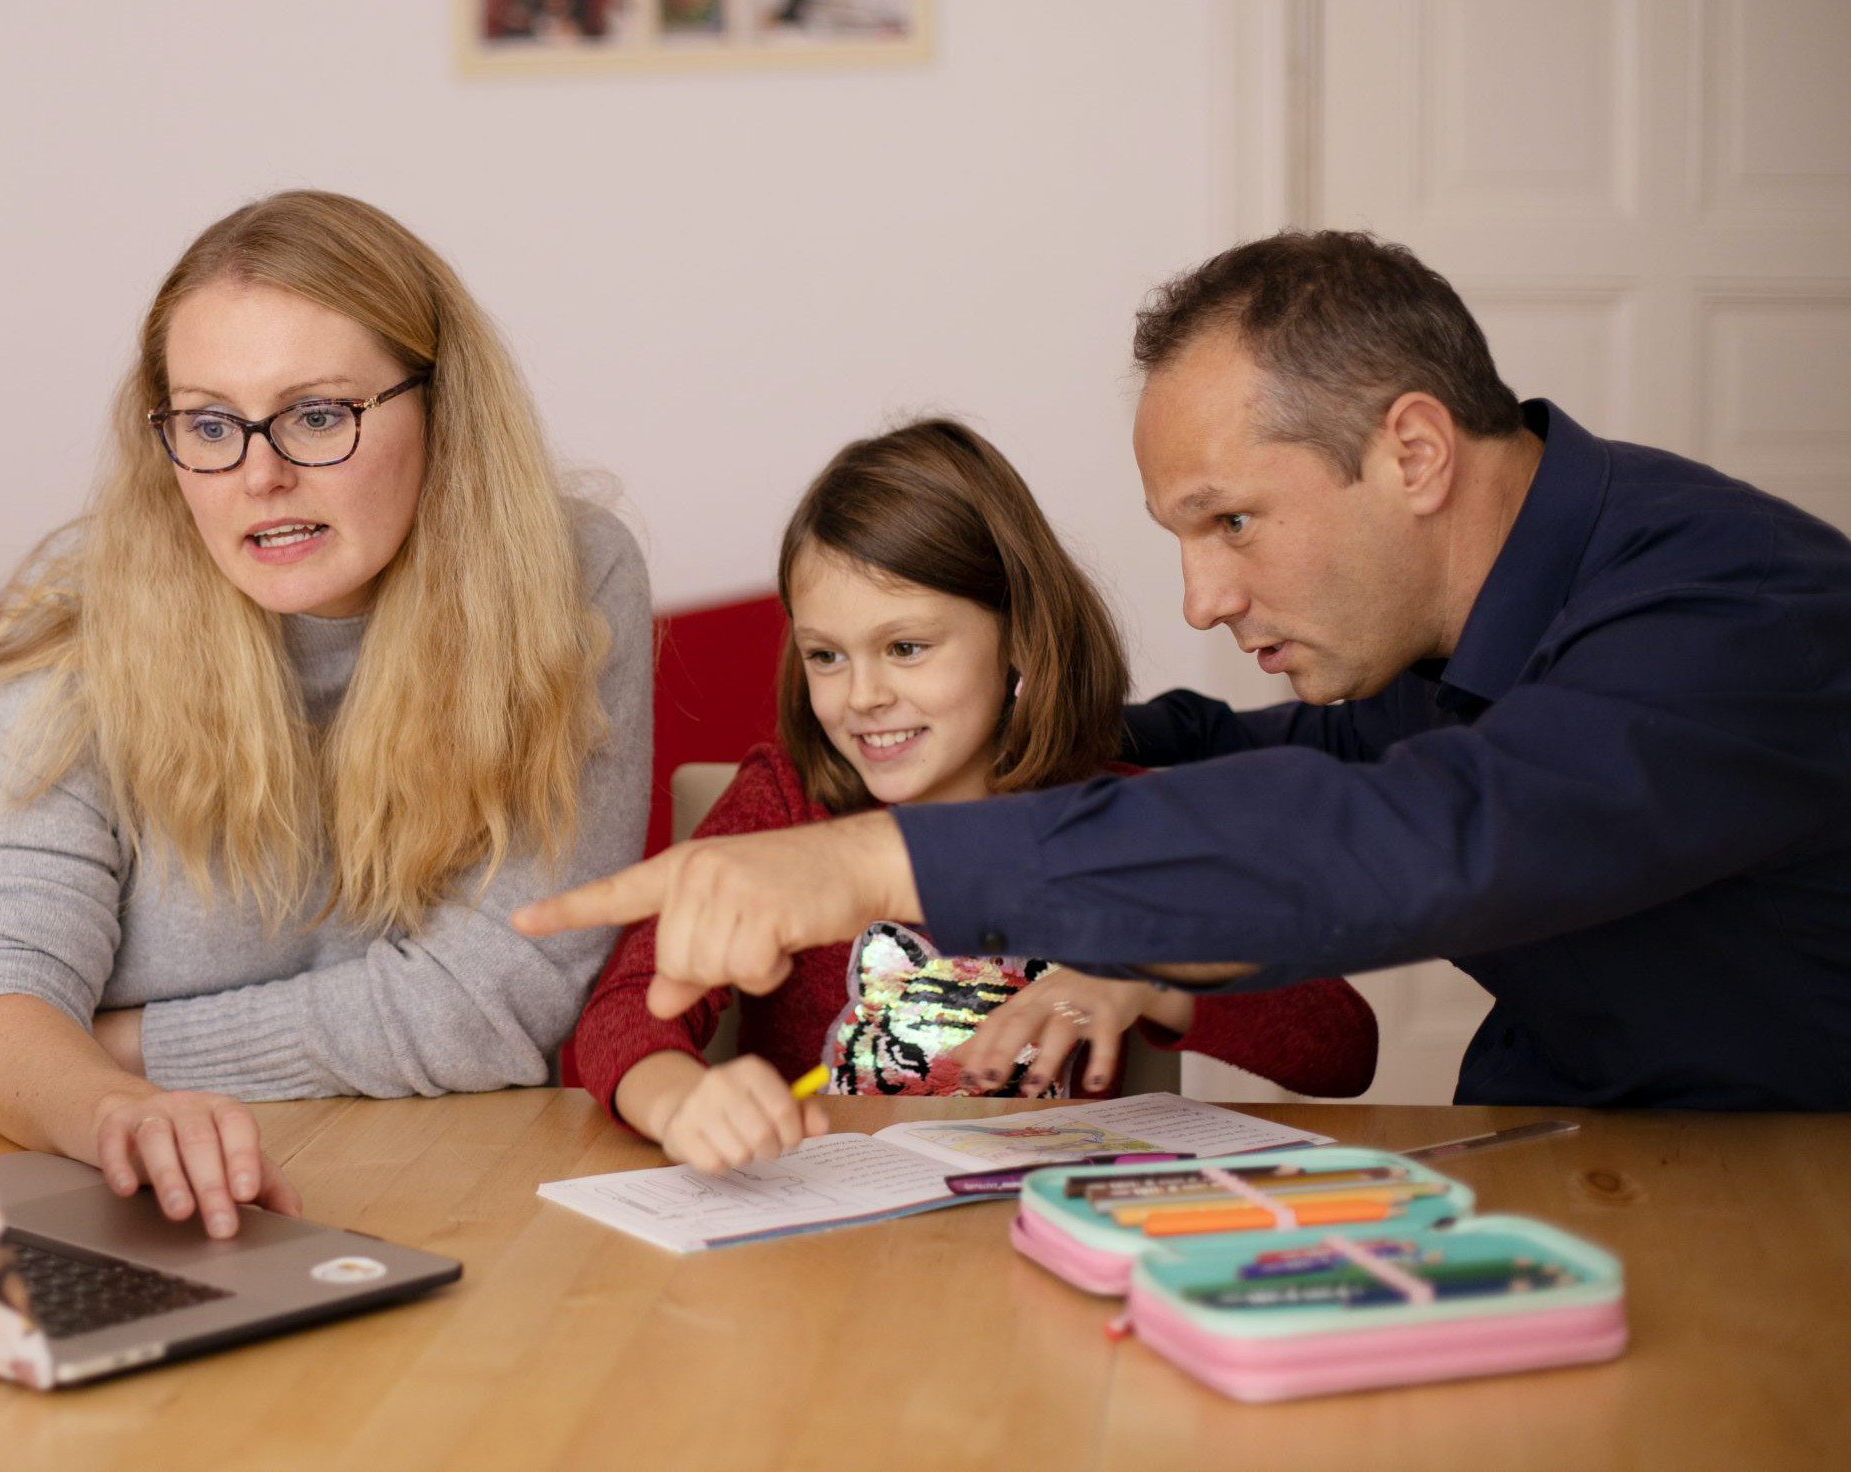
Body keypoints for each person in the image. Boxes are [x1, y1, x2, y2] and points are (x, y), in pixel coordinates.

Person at [520, 230, 1851, 1112]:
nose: (1204, 599)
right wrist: (1001, 748)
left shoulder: (1735, 617)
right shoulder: (1443, 637)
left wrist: (882, 861)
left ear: (1415, 453)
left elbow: (1423, 835)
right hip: (1562, 1148)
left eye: (1232, 522)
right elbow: (1261, 759)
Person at [0, 191, 653, 1238]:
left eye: (316, 414)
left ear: (444, 409)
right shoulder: (86, 610)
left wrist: (110, 1044)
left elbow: (501, 1002)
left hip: (461, 1199)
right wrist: (111, 1104)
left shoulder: (569, 576)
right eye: (210, 423)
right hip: (127, 1200)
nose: (259, 474)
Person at [574, 420, 1376, 1171]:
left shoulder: (1115, 822)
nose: (862, 696)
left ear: (1020, 637)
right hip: (819, 1256)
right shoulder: (783, 803)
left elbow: (1343, 1046)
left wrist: (1154, 978)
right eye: (826, 656)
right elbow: (620, 1013)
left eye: (907, 647)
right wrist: (681, 1100)